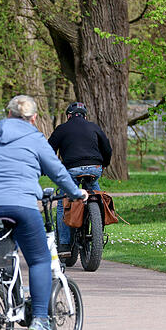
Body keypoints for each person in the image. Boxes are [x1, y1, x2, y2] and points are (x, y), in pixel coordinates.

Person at [0, 95, 87, 330]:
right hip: (20, 204)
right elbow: (56, 171)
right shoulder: (34, 137)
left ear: (8, 114)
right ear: (33, 118)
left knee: (10, 246)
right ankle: (40, 319)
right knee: (39, 260)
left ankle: (4, 284)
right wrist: (76, 193)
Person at [47, 102, 113, 257]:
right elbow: (107, 149)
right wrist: (104, 165)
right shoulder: (94, 127)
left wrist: (47, 167)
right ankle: (98, 230)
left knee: (64, 202)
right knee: (96, 196)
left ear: (69, 115)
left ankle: (64, 244)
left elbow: (48, 151)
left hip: (72, 170)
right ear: (85, 116)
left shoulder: (62, 129)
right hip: (94, 168)